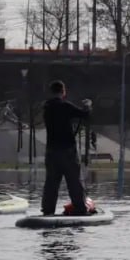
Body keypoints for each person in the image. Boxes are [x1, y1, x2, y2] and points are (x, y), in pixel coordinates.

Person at [41, 80, 94, 215]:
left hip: (51, 151)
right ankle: (80, 209)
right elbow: (84, 115)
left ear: (51, 91)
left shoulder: (46, 107)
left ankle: (47, 210)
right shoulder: (65, 106)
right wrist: (88, 105)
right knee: (74, 181)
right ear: (63, 92)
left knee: (51, 183)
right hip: (68, 151)